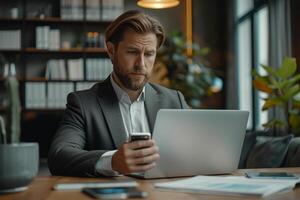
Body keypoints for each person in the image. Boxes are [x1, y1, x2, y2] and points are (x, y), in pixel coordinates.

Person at [48, 10, 189, 177]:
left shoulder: (175, 100)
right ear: (111, 50)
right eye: (132, 52)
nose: (141, 64)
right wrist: (112, 161)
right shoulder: (82, 103)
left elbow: (198, 148)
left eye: (149, 54)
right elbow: (59, 155)